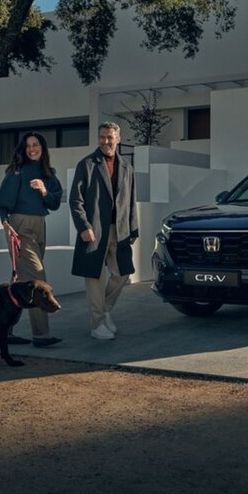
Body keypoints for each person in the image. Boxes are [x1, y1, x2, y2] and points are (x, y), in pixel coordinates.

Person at [0, 131, 63, 347]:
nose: (32, 149)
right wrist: (7, 226)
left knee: (22, 281)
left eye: (36, 145)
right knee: (37, 277)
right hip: (18, 227)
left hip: (40, 225)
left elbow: (55, 203)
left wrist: (43, 191)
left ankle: (6, 328)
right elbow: (2, 204)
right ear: (23, 149)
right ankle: (41, 335)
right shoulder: (16, 172)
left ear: (43, 148)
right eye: (28, 145)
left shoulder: (49, 174)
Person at [69, 121, 138, 340]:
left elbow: (131, 200)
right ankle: (97, 324)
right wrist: (84, 227)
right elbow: (75, 200)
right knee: (94, 278)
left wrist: (133, 229)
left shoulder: (127, 167)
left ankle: (105, 310)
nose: (106, 141)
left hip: (120, 229)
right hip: (94, 231)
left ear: (118, 138)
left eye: (110, 137)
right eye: (102, 137)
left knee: (123, 273)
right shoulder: (87, 164)